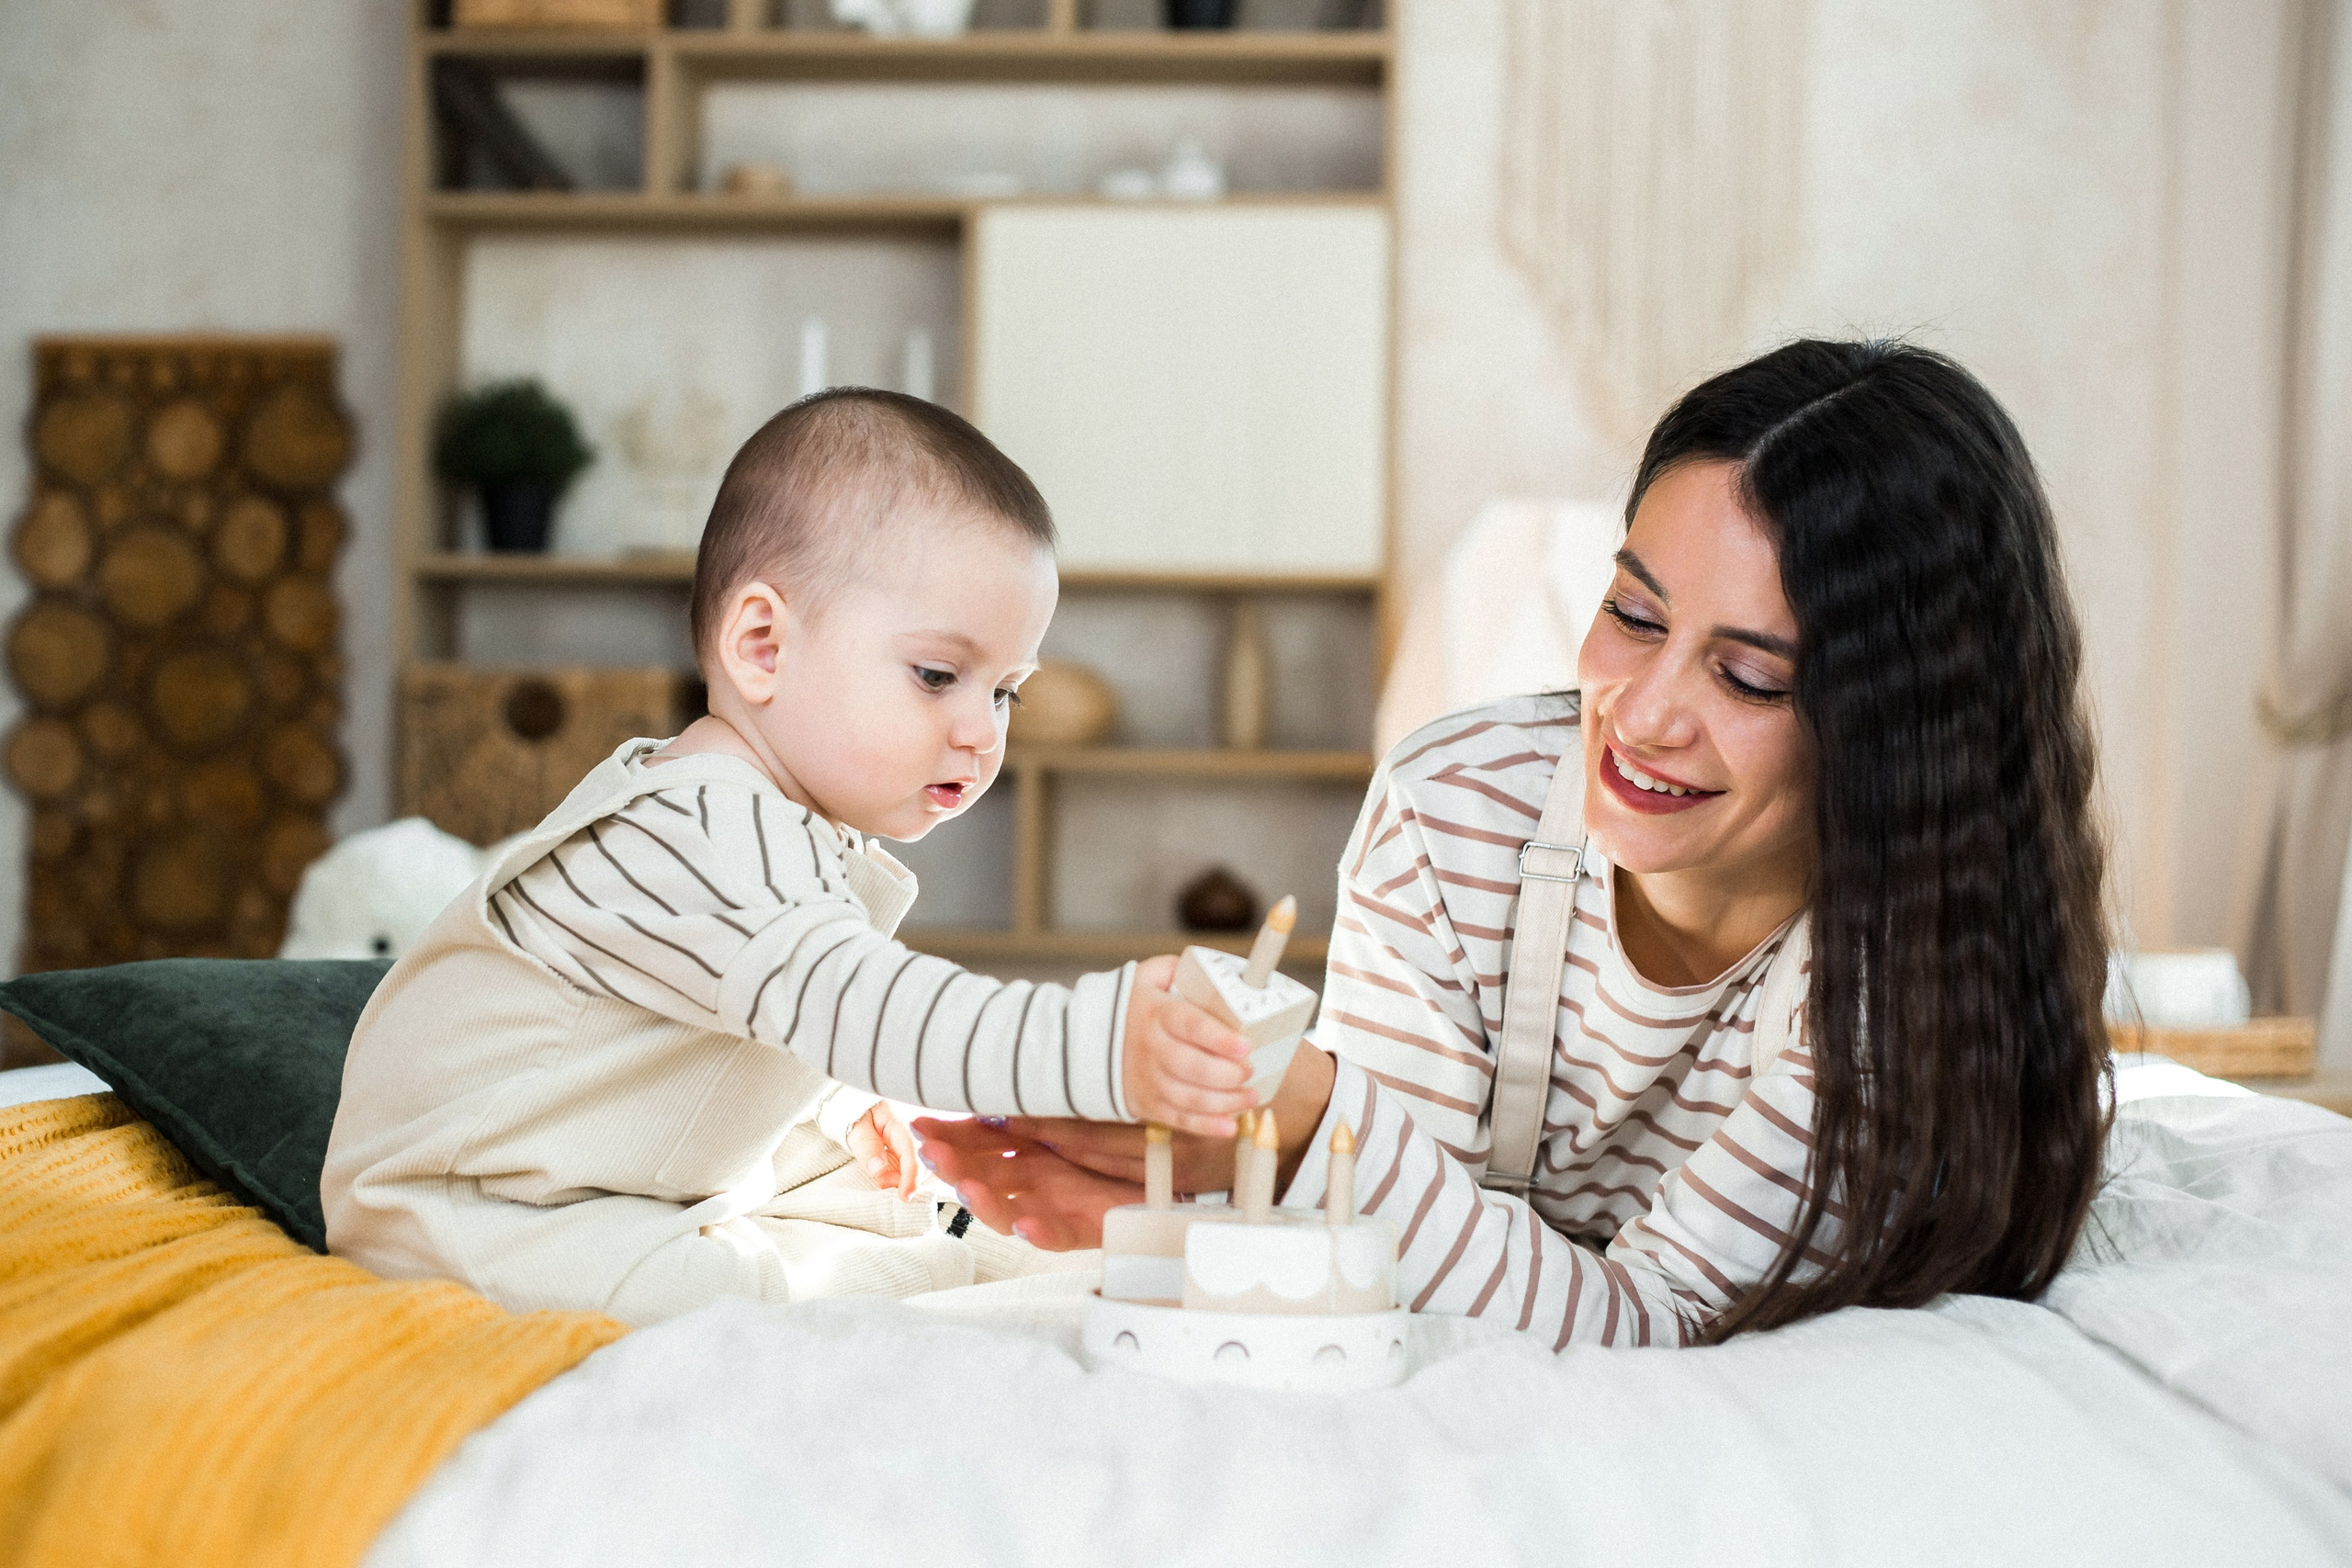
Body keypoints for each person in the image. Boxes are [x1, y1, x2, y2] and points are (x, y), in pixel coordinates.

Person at [917, 340, 2113, 1348]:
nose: (1641, 712)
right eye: (1632, 614)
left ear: (1896, 732)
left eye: (1748, 675)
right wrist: (1253, 1163)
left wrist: (1314, 1109)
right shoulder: (1457, 811)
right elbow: (1393, 1243)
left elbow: (1639, 1322)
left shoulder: (1898, 969)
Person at [322, 389, 1257, 1327]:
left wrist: (840, 1103)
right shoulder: (691, 830)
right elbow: (853, 997)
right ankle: (938, 1284)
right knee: (743, 1298)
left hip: (610, 1184)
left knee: (875, 1175)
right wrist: (1091, 1046)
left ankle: (945, 1248)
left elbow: (739, 1014)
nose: (981, 733)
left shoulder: (774, 822)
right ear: (761, 646)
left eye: (1006, 691)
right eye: (938, 675)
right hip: (468, 1225)